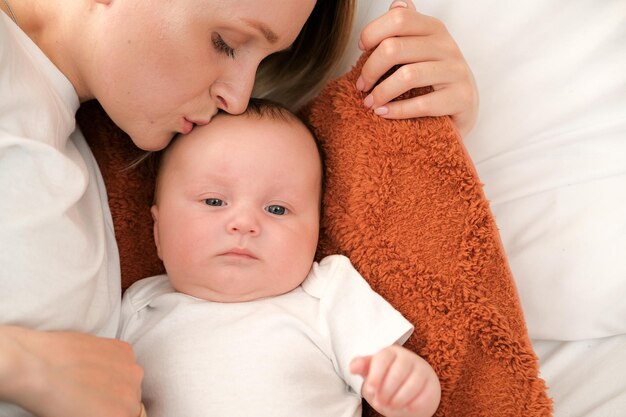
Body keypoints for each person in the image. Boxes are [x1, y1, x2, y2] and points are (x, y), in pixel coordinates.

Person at [0, 0, 476, 415]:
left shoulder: (87, 138)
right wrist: (25, 367)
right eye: (225, 43)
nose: (238, 97)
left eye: (262, 60)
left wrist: (428, 120)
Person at [119, 99, 442, 417]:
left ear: (317, 231)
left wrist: (409, 387)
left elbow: (391, 373)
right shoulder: (136, 309)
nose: (244, 223)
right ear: (158, 231)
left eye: (277, 209)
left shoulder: (325, 295)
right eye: (214, 201)